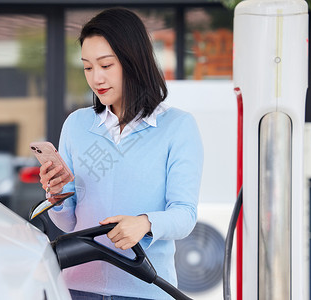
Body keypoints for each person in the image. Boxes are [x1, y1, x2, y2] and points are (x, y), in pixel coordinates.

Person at [40, 7, 203, 299]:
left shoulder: (177, 127)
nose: (96, 78)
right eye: (88, 67)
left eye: (106, 65)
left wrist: (144, 222)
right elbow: (68, 223)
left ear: (133, 61)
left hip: (146, 289)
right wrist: (57, 196)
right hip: (79, 288)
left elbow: (184, 214)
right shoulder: (77, 124)